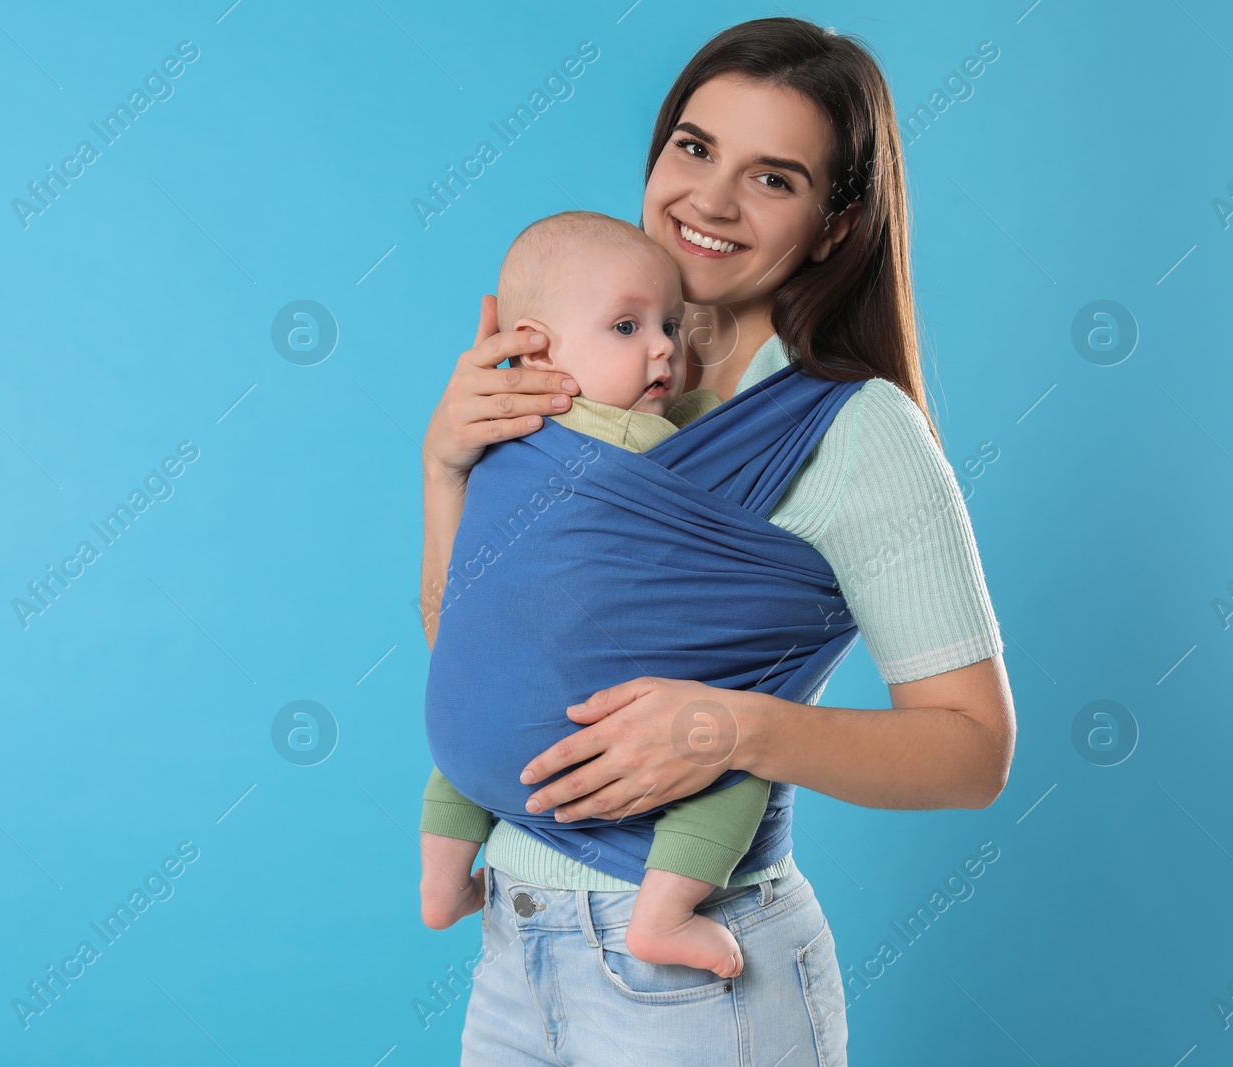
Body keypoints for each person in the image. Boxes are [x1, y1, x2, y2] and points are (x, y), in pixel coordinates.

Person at [417, 17, 1017, 1066]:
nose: (710, 199)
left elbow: (973, 750)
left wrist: (731, 728)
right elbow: (478, 652)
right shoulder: (559, 373)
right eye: (694, 148)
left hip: (696, 982)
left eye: (773, 177)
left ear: (834, 226)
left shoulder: (856, 428)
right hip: (514, 949)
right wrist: (445, 470)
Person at [422, 208, 791, 981]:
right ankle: (664, 916)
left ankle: (440, 881)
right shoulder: (628, 441)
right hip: (573, 748)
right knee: (741, 755)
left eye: (668, 324)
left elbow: (457, 620)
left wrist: (442, 469)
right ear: (538, 348)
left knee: (475, 699)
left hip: (462, 748)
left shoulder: (495, 439)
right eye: (627, 327)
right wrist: (717, 409)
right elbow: (693, 448)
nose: (662, 346)